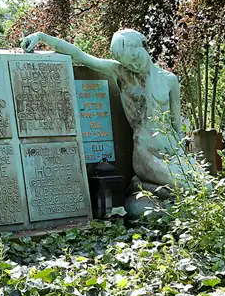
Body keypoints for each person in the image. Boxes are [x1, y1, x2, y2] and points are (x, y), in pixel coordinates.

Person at [21, 29, 200, 194]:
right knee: (185, 187)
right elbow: (79, 55)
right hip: (147, 152)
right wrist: (42, 37)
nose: (135, 66)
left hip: (172, 151)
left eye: (136, 57)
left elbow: (176, 124)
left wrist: (182, 153)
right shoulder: (121, 73)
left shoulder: (170, 80)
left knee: (204, 185)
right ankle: (141, 184)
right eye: (129, 64)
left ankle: (142, 186)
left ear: (144, 47)